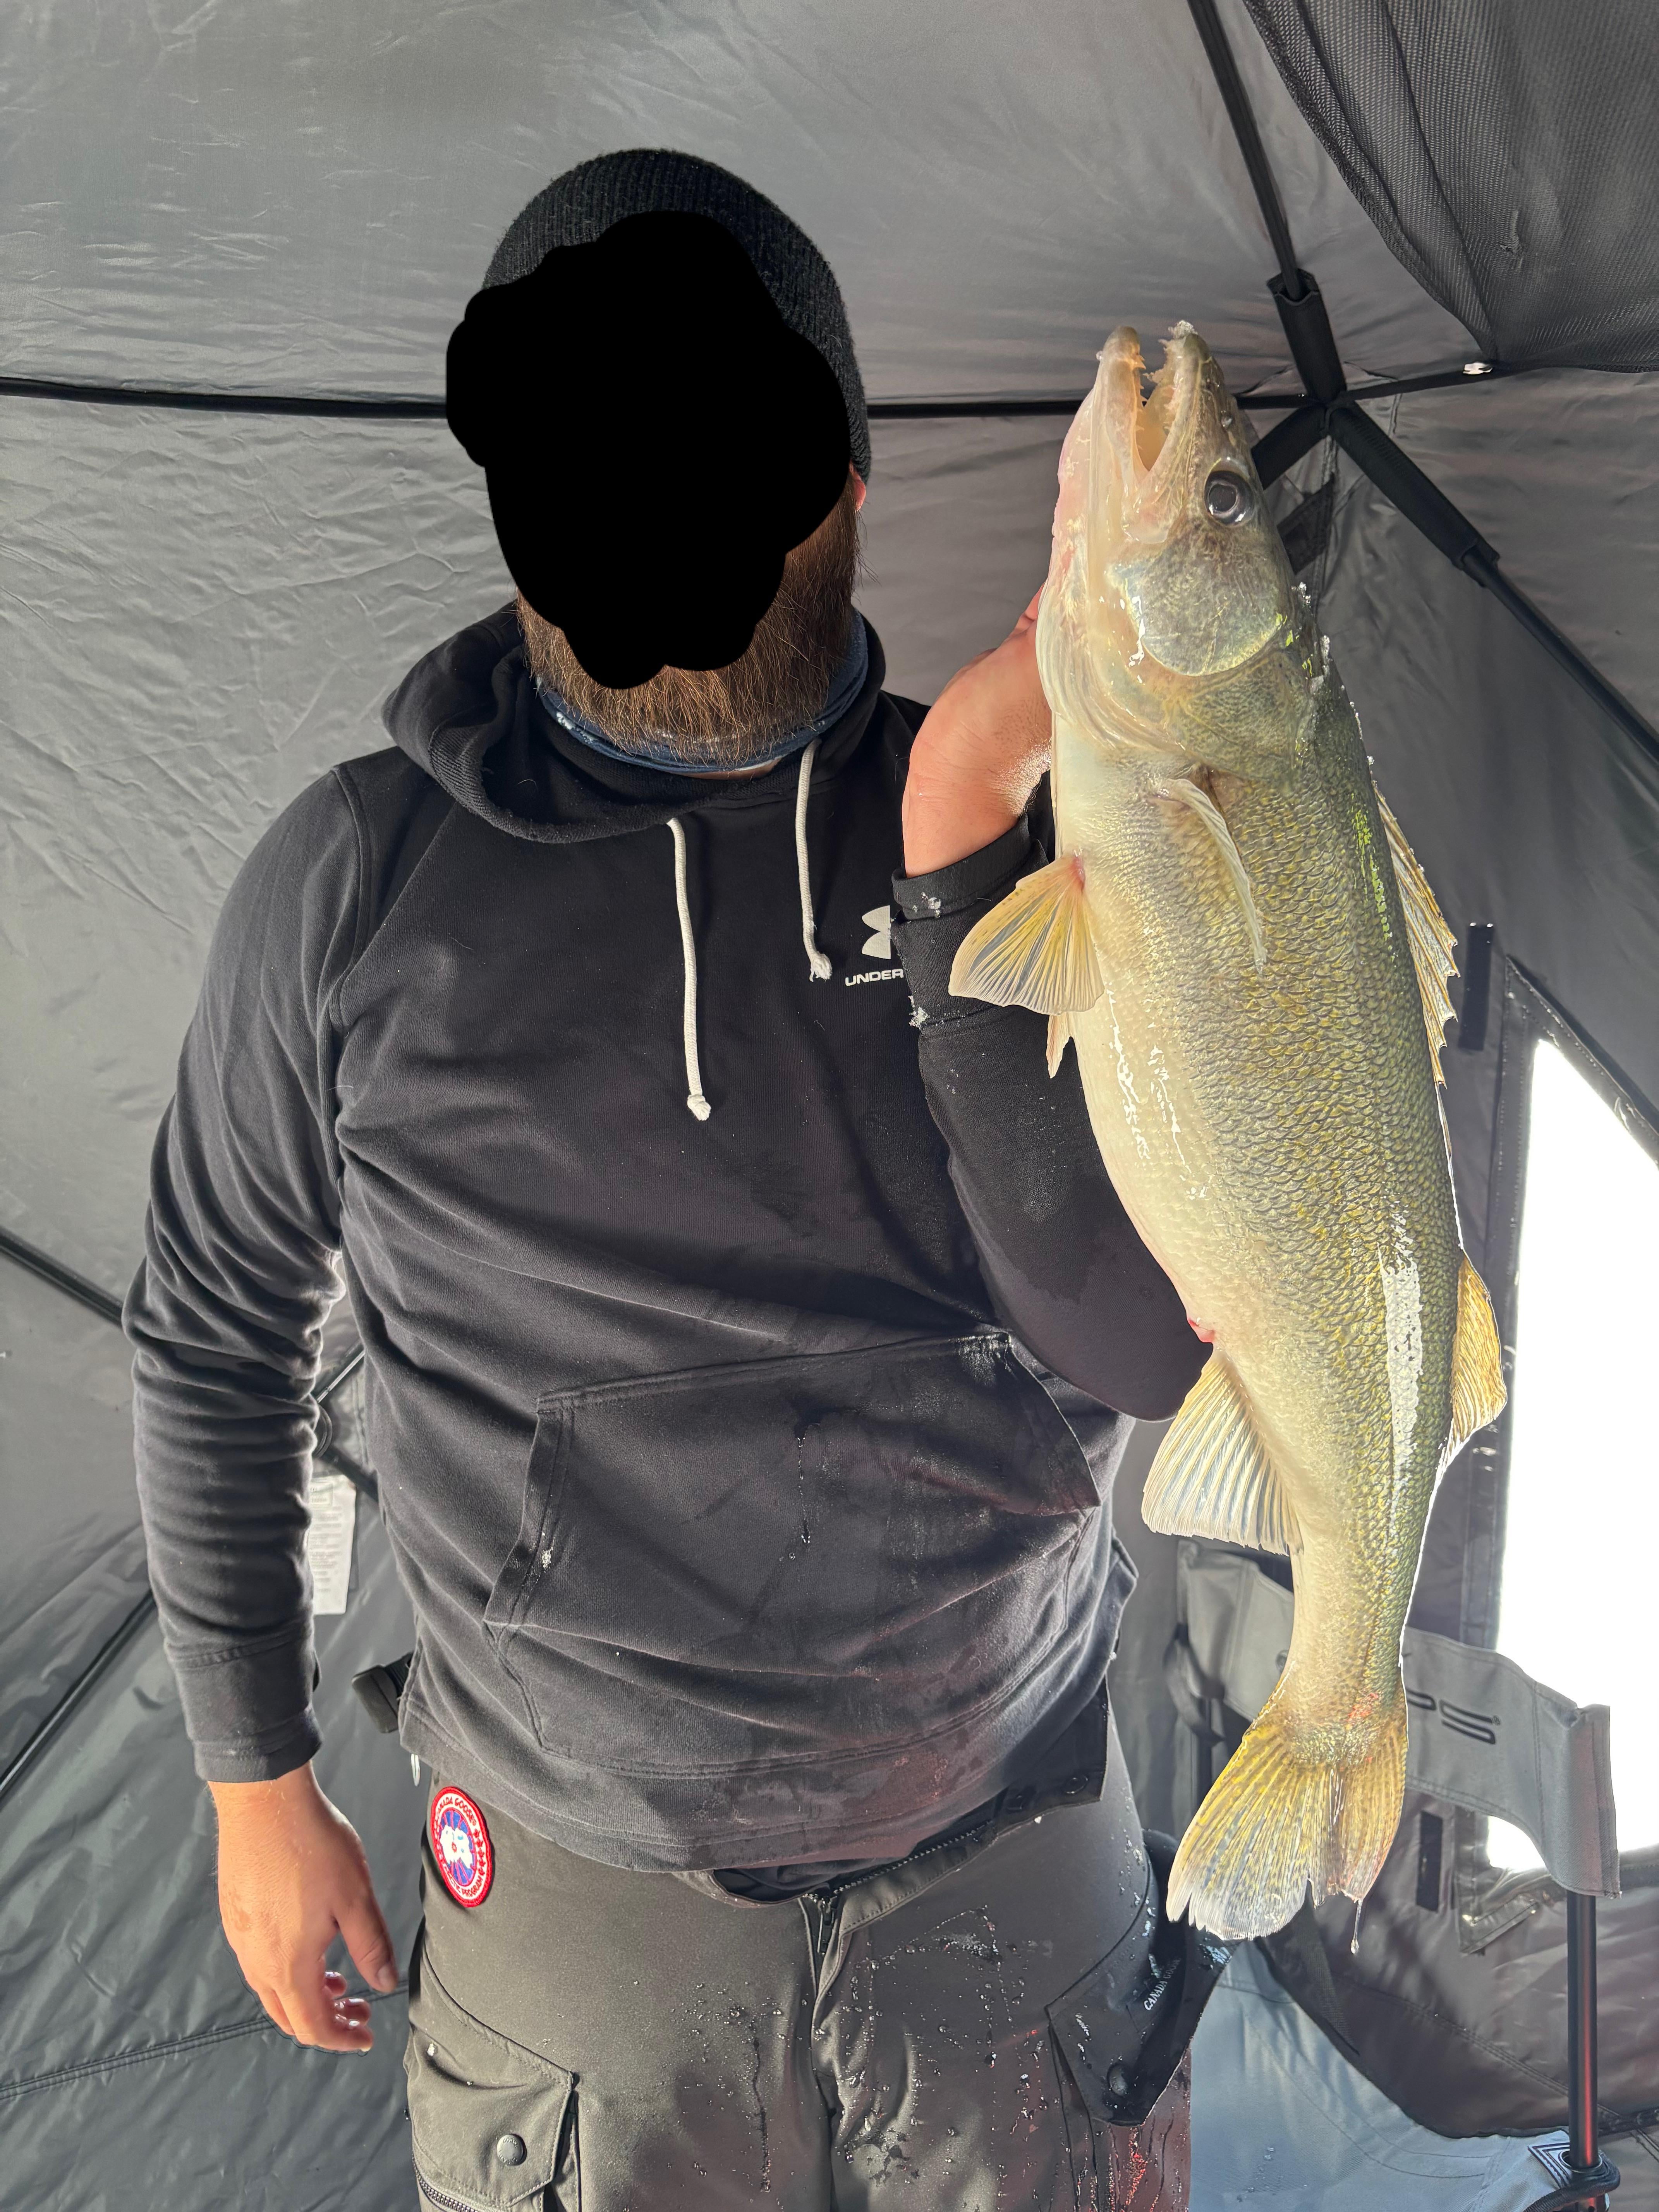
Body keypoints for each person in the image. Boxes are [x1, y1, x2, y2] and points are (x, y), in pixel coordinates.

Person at [125, 149, 1217, 2210]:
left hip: (1015, 1851)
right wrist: (252, 1772)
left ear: (848, 475)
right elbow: (210, 1323)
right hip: (577, 1923)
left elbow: (1158, 1335)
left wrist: (991, 837)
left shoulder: (1051, 831)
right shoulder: (353, 887)